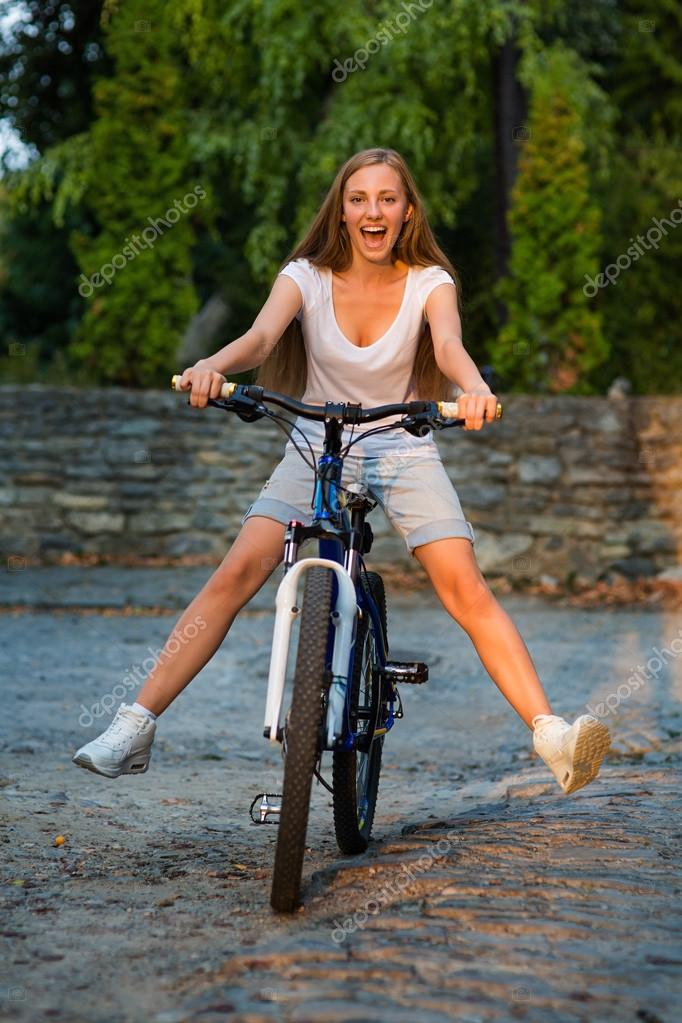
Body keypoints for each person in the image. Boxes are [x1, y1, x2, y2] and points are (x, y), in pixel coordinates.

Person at [73, 147, 611, 793]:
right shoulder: (305, 275)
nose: (372, 211)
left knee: (465, 586)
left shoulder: (429, 281)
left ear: (406, 210)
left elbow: (448, 346)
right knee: (238, 570)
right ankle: (135, 725)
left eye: (387, 198)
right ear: (343, 209)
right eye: (359, 199)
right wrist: (215, 366)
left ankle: (550, 735)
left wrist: (473, 389)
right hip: (314, 441)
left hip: (401, 443)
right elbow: (261, 339)